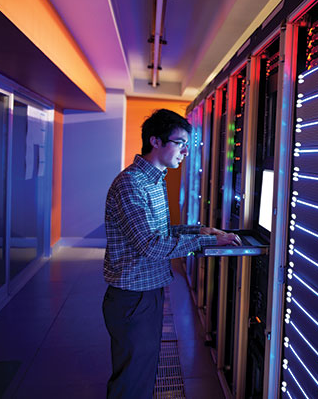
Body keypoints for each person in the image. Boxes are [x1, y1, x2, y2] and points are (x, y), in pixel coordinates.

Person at [102, 108, 241, 398]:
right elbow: (150, 246)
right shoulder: (131, 185)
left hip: (147, 290)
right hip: (133, 296)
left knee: (142, 374)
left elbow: (160, 235)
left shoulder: (154, 179)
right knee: (132, 381)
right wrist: (206, 244)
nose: (185, 152)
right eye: (179, 143)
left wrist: (200, 231)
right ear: (155, 141)